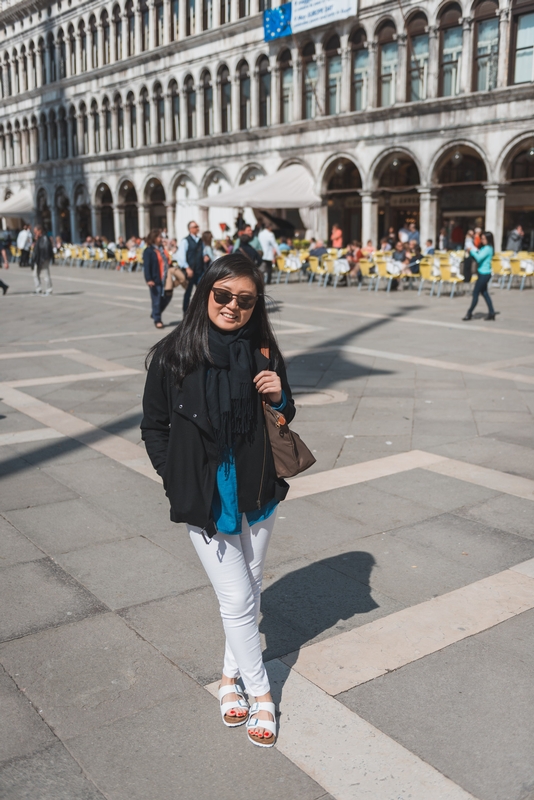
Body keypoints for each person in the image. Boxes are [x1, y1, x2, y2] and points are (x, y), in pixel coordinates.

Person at [141, 253, 295, 749]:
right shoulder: (173, 355)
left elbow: (286, 412)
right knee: (236, 598)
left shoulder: (263, 351)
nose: (233, 307)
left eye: (245, 300)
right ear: (205, 292)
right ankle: (262, 693)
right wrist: (174, 477)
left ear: (255, 305)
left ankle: (229, 678)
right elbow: (154, 426)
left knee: (250, 585)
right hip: (206, 494)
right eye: (223, 295)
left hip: (258, 488)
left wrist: (278, 399)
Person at [463, 231, 496, 321]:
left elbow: (479, 258)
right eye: (481, 239)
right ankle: (491, 312)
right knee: (484, 293)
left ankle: (469, 312)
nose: (482, 240)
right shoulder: (484, 248)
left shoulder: (488, 248)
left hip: (485, 274)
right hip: (482, 272)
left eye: (484, 239)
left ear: (488, 240)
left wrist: (472, 251)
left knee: (475, 293)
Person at [143, 228, 172, 329]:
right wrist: (149, 279)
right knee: (157, 300)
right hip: (155, 279)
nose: (161, 238)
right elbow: (147, 266)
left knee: (168, 296)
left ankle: (155, 313)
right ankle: (157, 319)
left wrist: (166, 248)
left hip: (165, 278)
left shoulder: (161, 249)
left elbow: (168, 261)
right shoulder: (148, 251)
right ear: (154, 238)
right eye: (159, 237)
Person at [178, 220, 205, 312]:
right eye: (195, 227)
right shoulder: (185, 241)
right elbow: (181, 256)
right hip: (190, 271)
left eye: (198, 226)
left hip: (200, 270)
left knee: (203, 291)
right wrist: (187, 268)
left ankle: (201, 312)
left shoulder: (200, 240)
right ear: (190, 229)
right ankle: (186, 313)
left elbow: (203, 252)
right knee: (188, 293)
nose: (197, 228)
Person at [31, 225, 54, 295]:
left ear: (40, 230)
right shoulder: (39, 238)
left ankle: (49, 290)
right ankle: (38, 289)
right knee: (35, 274)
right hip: (38, 259)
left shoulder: (45, 238)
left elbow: (46, 250)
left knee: (46, 274)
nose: (35, 233)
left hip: (43, 259)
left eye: (36, 232)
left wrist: (44, 259)